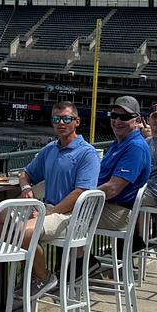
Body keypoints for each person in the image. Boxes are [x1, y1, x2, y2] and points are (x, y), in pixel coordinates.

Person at [16, 101, 100, 293]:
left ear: (77, 121)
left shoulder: (87, 153)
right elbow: (25, 174)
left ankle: (43, 276)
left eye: (66, 119)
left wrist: (50, 212)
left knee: (23, 232)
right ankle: (30, 273)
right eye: (56, 119)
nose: (61, 123)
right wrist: (26, 187)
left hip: (70, 216)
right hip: (49, 209)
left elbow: (80, 192)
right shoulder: (50, 149)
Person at [93, 96, 151, 238]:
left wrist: (82, 196)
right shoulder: (119, 142)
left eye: (124, 117)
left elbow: (113, 189)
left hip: (118, 212)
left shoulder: (135, 147)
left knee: (66, 218)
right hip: (107, 205)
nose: (117, 121)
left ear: (137, 121)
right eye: (114, 116)